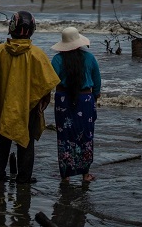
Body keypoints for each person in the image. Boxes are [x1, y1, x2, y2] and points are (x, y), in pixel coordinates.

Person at [0, 11, 60, 184]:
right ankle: (24, 178)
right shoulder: (38, 55)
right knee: (26, 142)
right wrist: (42, 103)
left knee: (1, 141)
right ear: (32, 29)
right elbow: (46, 85)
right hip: (29, 107)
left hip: (3, 105)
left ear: (11, 27)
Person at [50, 26, 101, 183]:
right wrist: (95, 98)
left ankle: (65, 176)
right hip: (85, 100)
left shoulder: (57, 60)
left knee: (64, 137)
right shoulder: (90, 58)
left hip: (63, 101)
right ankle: (85, 174)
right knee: (86, 136)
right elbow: (97, 83)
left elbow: (50, 81)